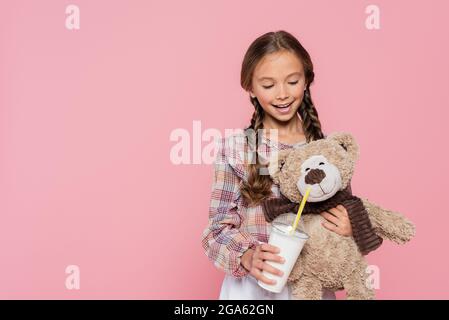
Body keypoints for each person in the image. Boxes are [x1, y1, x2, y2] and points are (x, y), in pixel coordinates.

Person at [201, 30, 377, 300]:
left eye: (292, 81)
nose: (282, 94)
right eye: (268, 85)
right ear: (250, 87)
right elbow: (216, 231)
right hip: (252, 292)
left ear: (307, 80)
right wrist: (248, 256)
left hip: (312, 289)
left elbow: (346, 228)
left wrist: (350, 227)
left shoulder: (328, 152)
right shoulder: (237, 149)